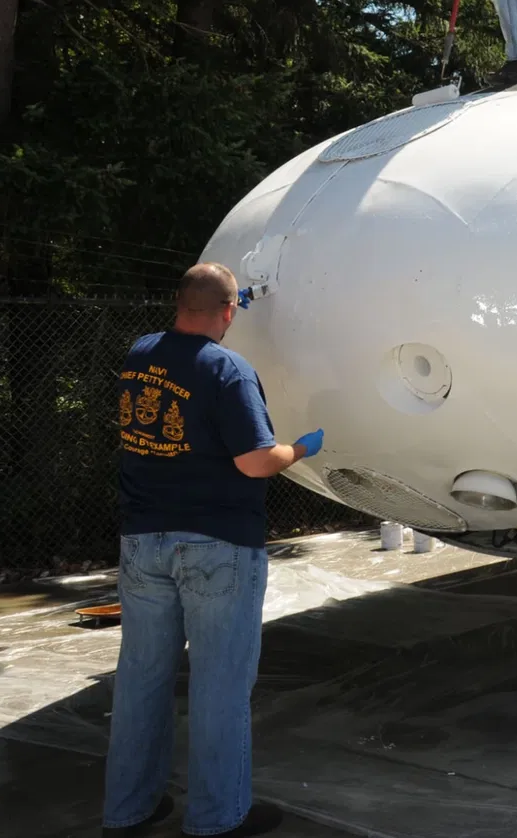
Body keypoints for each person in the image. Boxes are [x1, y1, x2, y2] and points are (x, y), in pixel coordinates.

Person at [103, 264, 324, 838]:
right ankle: (216, 820)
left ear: (180, 303)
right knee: (219, 686)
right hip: (217, 546)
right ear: (229, 313)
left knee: (141, 679)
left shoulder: (140, 354)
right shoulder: (229, 370)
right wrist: (300, 448)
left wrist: (225, 299)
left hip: (142, 541)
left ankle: (127, 811)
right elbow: (254, 461)